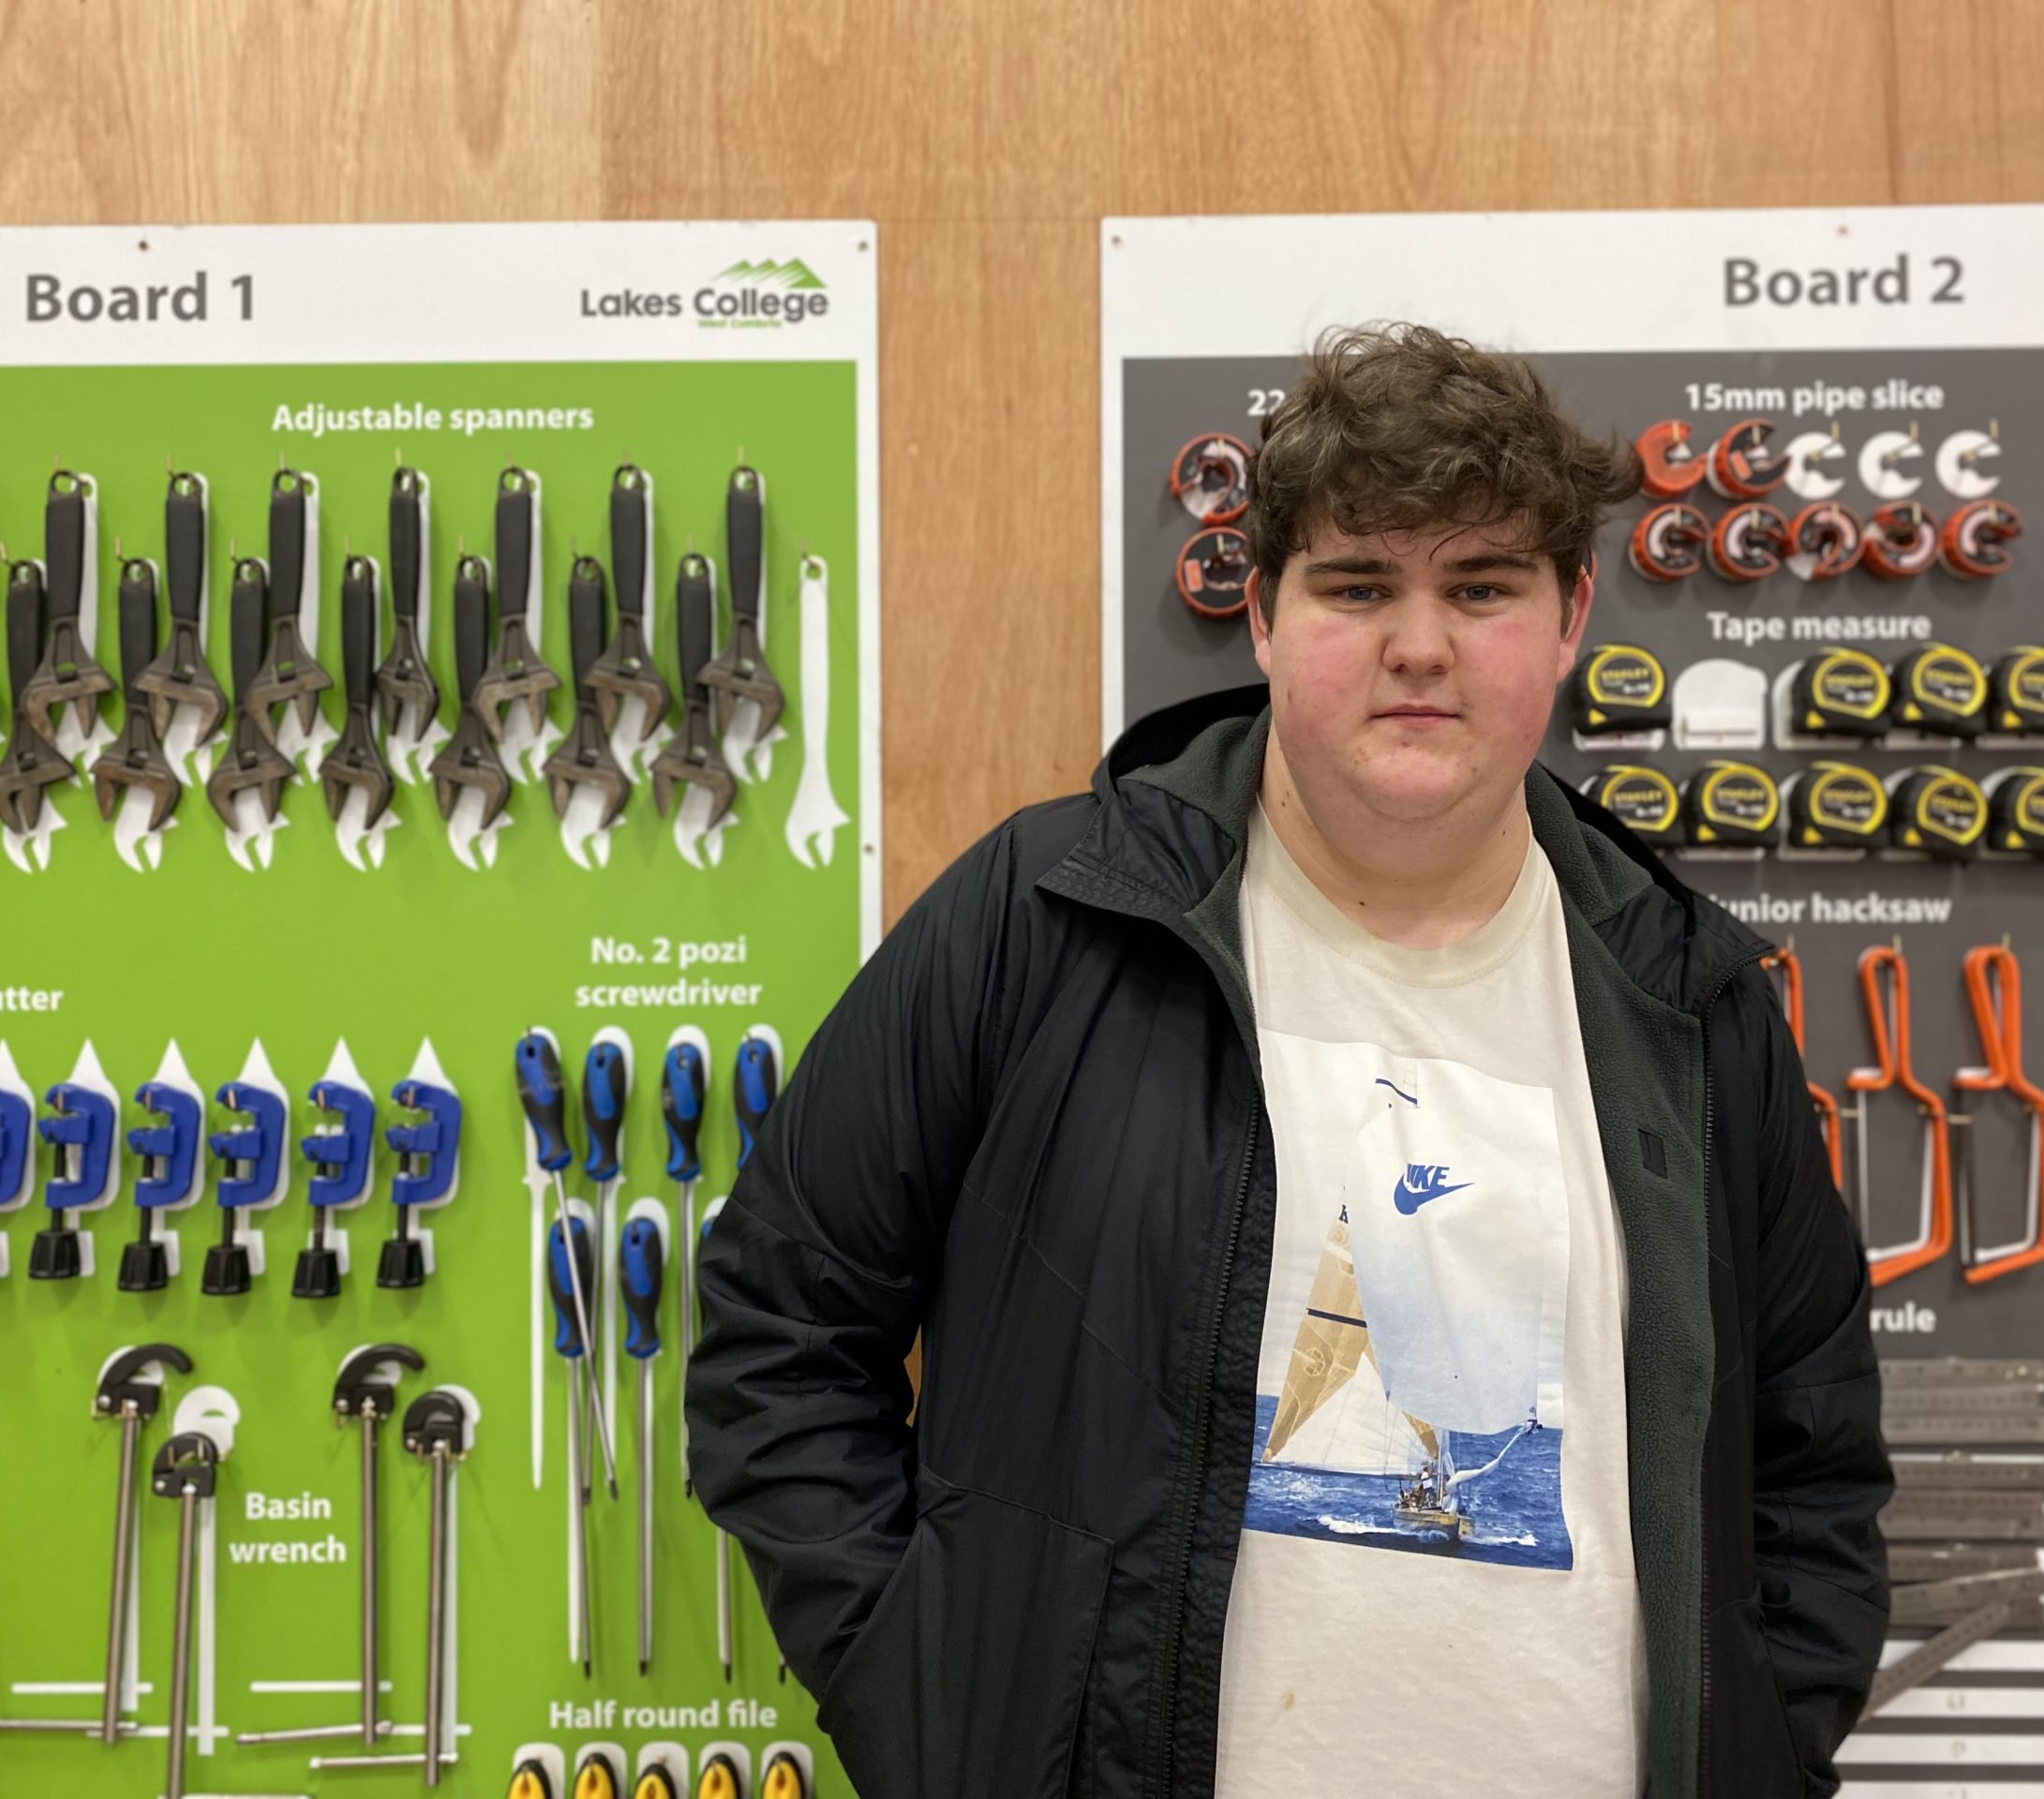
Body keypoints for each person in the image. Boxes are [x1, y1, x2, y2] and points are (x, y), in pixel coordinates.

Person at [688, 323, 1890, 1799]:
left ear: (1571, 615)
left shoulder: (1689, 998)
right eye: (1358, 583)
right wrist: (931, 1701)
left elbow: (1813, 1464)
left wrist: (1765, 1746)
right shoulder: (1046, 920)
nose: (1421, 644)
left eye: (1484, 586)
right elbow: (779, 1327)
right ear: (1260, 613)